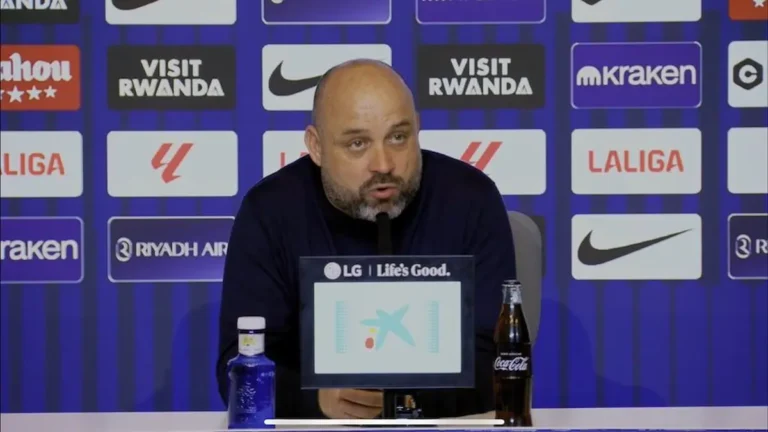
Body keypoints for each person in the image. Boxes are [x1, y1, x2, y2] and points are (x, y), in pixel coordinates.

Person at [216, 59, 518, 418]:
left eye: (398, 137)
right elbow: (240, 370)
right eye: (357, 143)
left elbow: (499, 363)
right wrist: (318, 401)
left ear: (418, 129)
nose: (384, 163)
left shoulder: (471, 200)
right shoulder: (269, 211)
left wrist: (402, 402)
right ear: (316, 146)